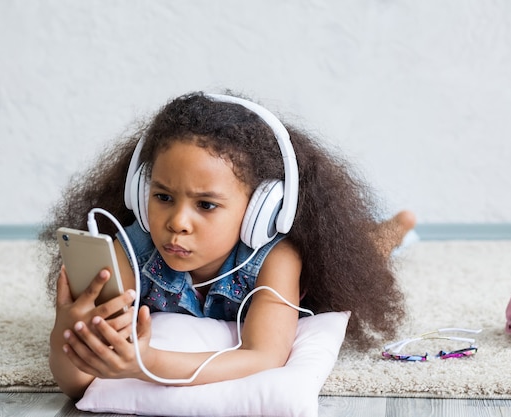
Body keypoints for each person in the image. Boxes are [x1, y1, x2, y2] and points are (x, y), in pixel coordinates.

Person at [39, 91, 416, 399]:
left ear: (262, 210)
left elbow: (263, 355)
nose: (177, 223)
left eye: (206, 205)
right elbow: (79, 386)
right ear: (140, 193)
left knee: (367, 254)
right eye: (163, 197)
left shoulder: (278, 258)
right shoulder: (131, 252)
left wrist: (147, 363)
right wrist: (66, 338)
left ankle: (390, 230)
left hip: (311, 280)